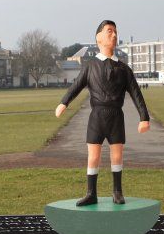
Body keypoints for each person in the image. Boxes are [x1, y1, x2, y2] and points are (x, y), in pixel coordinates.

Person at [55, 20, 150, 206]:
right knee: (93, 156)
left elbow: (136, 93)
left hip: (116, 116)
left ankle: (117, 191)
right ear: (98, 38)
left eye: (115, 32)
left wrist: (144, 117)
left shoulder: (124, 69)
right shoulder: (90, 66)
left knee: (117, 155)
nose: (114, 35)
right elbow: (76, 86)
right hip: (96, 117)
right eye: (109, 31)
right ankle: (91, 193)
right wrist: (63, 102)